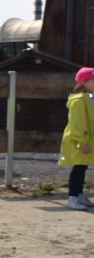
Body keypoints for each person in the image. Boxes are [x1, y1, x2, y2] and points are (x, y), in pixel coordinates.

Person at [58, 66, 94, 210]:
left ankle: (79, 195)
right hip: (80, 141)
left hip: (87, 140)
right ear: (84, 82)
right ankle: (72, 198)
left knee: (83, 166)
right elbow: (77, 123)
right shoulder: (79, 100)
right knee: (79, 167)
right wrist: (82, 141)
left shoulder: (89, 98)